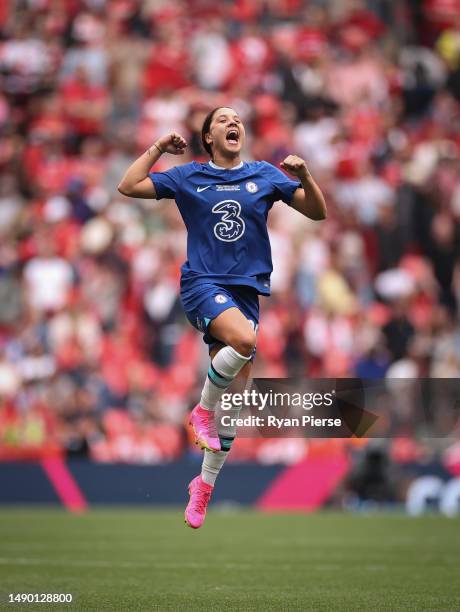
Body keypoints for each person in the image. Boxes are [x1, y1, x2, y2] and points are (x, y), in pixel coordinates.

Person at [118, 106, 327, 528]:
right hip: (202, 284)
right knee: (246, 344)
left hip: (247, 293)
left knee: (234, 407)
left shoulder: (265, 174)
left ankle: (203, 486)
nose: (234, 123)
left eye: (237, 119)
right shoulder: (188, 176)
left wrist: (305, 176)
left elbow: (317, 212)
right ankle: (200, 410)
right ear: (208, 136)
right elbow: (129, 185)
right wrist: (160, 146)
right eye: (222, 120)